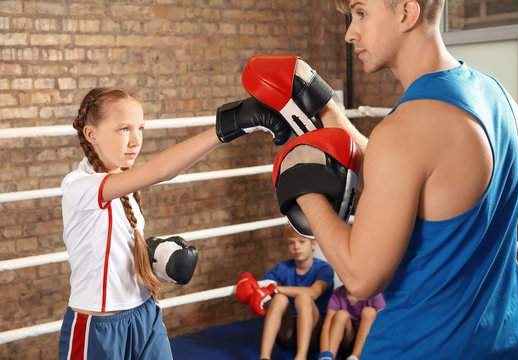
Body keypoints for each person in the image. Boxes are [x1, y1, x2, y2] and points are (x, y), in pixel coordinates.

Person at [237, 0, 518, 358]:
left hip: (419, 346)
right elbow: (409, 178)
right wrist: (327, 110)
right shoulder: (499, 99)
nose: (350, 33)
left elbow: (360, 278)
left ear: (406, 13)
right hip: (505, 340)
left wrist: (300, 183)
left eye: (361, 13)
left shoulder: (405, 130)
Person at [58, 87, 292, 359]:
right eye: (124, 129)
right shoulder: (79, 186)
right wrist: (230, 126)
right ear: (91, 134)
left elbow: (112, 250)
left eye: (140, 128)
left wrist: (154, 260)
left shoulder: (125, 187)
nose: (135, 141)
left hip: (145, 313)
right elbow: (163, 170)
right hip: (99, 327)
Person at [238, 225, 334, 360]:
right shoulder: (282, 268)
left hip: (314, 333)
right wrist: (249, 287)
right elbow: (261, 289)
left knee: (303, 298)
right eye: (291, 242)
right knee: (279, 299)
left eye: (302, 241)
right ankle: (264, 357)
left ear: (313, 244)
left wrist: (276, 289)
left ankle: (301, 356)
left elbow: (313, 292)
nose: (296, 247)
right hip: (287, 333)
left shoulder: (324, 269)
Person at [318, 286, 385, 360]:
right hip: (348, 341)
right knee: (341, 315)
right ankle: (329, 357)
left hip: (367, 343)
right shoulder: (338, 294)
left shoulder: (373, 292)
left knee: (369, 312)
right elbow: (327, 327)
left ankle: (354, 357)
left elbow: (384, 323)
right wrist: (324, 353)